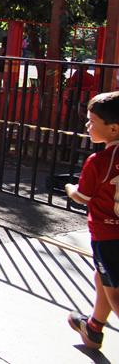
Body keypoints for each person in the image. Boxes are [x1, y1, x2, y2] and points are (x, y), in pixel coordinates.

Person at [65, 91, 119, 350]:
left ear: (113, 128)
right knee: (104, 279)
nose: (87, 125)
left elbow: (82, 196)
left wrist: (68, 188)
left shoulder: (98, 161)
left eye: (92, 121)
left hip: (108, 237)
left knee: (115, 293)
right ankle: (93, 328)